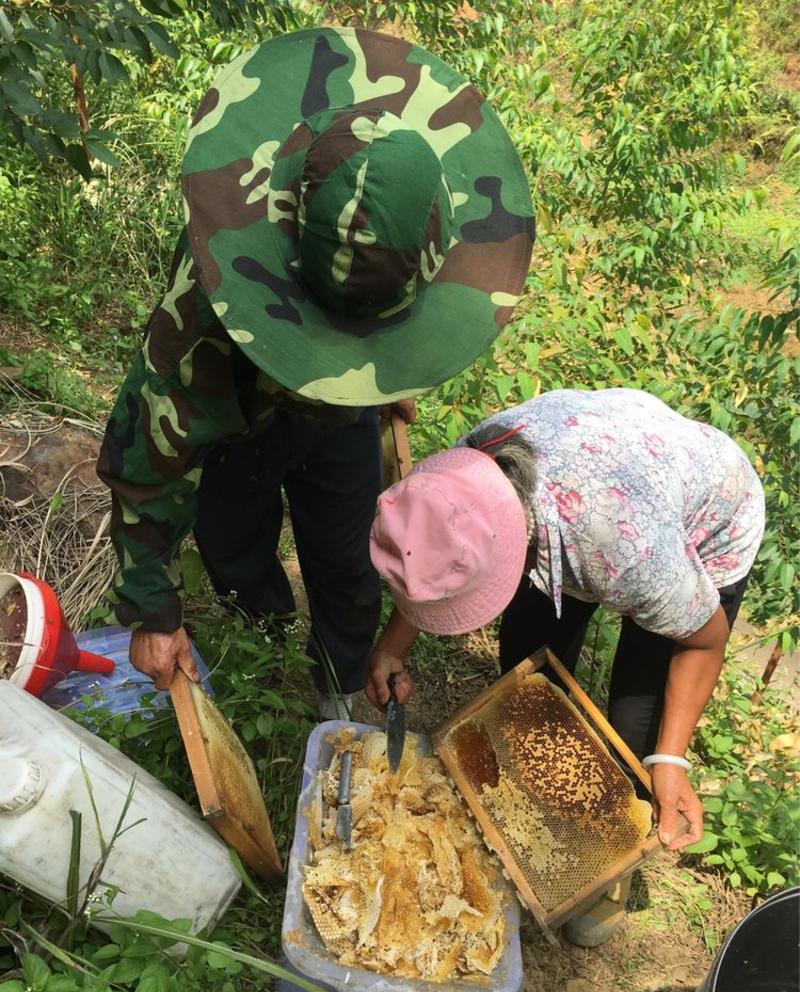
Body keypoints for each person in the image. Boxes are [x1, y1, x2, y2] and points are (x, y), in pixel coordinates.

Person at [96, 27, 534, 715]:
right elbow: (144, 461)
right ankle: (260, 652)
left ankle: (337, 685)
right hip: (245, 408)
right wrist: (152, 610)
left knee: (348, 553)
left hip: (341, 418)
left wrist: (387, 382)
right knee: (234, 543)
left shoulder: (416, 203)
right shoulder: (204, 322)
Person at [366, 387, 765, 943]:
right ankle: (537, 797)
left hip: (696, 516)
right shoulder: (461, 480)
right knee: (528, 667)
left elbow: (703, 642)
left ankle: (609, 859)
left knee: (635, 723)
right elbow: (432, 567)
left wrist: (670, 757)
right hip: (597, 475)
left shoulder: (626, 554)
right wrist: (393, 648)